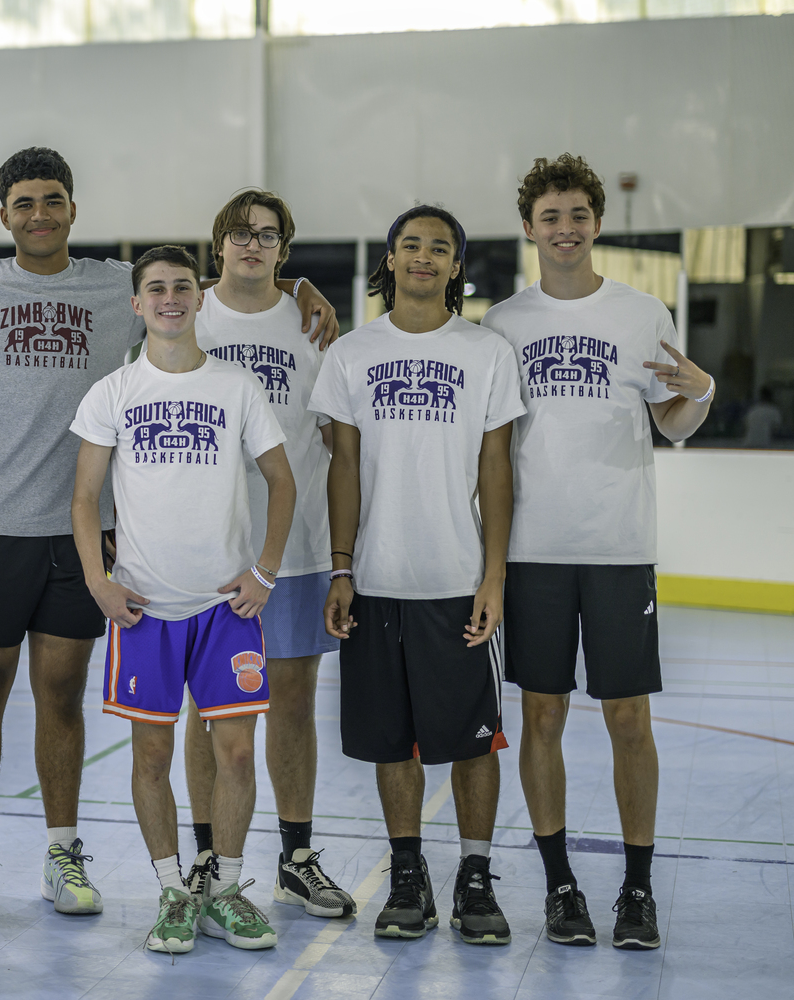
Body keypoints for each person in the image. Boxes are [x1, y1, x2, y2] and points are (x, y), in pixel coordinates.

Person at [0, 147, 341, 916]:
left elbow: (213, 287)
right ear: (4, 214)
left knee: (63, 697)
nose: (39, 214)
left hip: (88, 538)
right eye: (23, 203)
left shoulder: (119, 286)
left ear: (73, 210)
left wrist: (300, 286)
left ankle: (61, 854)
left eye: (53, 200)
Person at [485, 153, 714, 950]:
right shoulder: (505, 323)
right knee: (541, 715)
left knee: (628, 721)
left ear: (597, 222)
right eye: (550, 217)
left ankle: (638, 890)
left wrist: (702, 390)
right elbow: (491, 450)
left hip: (620, 549)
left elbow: (671, 425)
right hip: (533, 553)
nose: (565, 229)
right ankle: (559, 887)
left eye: (578, 215)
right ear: (528, 227)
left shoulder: (642, 311)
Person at [309, 205, 524, 946]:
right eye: (411, 245)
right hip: (374, 579)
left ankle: (473, 875)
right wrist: (341, 568)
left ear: (457, 265)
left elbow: (496, 471)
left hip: (456, 580)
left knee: (473, 742)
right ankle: (408, 874)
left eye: (440, 247)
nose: (425, 257)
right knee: (389, 740)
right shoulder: (351, 355)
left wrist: (493, 577)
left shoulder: (488, 352)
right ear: (391, 261)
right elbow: (344, 468)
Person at [70, 245, 293, 953]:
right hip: (143, 609)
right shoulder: (112, 392)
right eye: (154, 289)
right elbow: (82, 497)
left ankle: (223, 889)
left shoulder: (237, 387)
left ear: (198, 299)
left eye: (179, 288)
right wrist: (97, 582)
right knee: (150, 759)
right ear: (137, 305)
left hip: (227, 608)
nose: (168, 299)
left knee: (233, 756)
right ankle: (172, 890)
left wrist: (265, 571)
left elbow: (283, 483)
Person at [184, 189, 354, 918]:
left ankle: (296, 855)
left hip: (297, 549)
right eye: (239, 233)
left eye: (268, 236)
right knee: (209, 711)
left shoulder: (314, 326)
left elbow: (337, 441)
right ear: (217, 242)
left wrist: (342, 558)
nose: (252, 245)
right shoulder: (187, 314)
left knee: (291, 704)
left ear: (283, 251)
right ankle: (202, 859)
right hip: (208, 551)